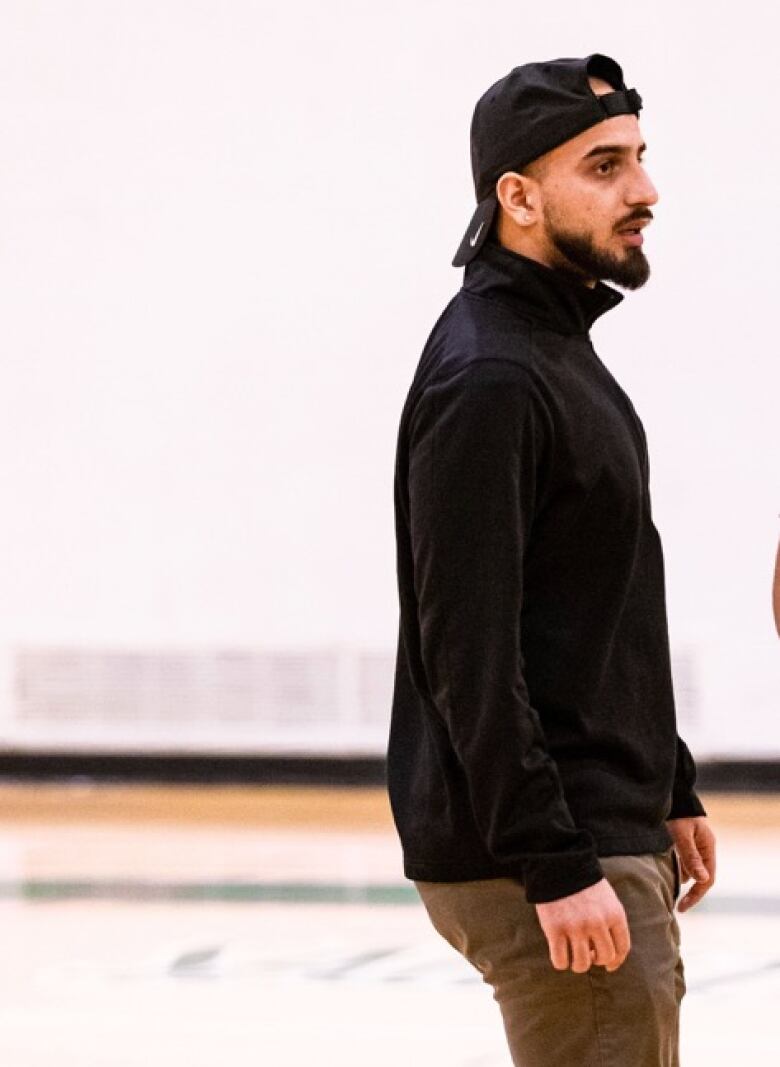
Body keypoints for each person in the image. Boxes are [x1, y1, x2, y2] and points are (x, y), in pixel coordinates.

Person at [387, 53, 717, 1067]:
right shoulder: (493, 375)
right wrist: (555, 861)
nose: (646, 192)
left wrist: (669, 779)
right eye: (606, 167)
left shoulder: (549, 350)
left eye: (641, 160)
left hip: (599, 820)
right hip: (559, 848)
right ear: (518, 196)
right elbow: (470, 648)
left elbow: (594, 600)